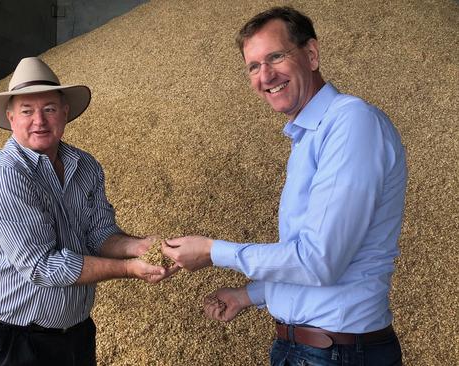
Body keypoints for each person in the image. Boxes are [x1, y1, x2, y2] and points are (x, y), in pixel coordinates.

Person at [162, 6, 407, 366]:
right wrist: (250, 295)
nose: (266, 75)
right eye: (254, 66)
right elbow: (312, 257)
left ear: (311, 54)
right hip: (313, 349)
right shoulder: (308, 135)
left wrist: (213, 252)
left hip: (338, 353)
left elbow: (319, 261)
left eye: (276, 56)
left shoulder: (351, 123)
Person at [0, 57, 174, 366]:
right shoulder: (6, 176)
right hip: (12, 340)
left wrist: (139, 247)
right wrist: (130, 268)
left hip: (74, 335)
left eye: (49, 108)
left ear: (65, 112)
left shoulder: (85, 165)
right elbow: (41, 266)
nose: (39, 121)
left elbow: (99, 233)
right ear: (11, 118)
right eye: (27, 111)